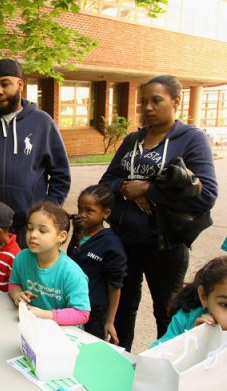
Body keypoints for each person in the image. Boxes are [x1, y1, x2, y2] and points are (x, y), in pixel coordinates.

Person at [100, 75, 218, 351]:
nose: (148, 107)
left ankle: (167, 369)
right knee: (122, 308)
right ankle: (121, 361)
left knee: (167, 312)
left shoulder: (191, 139)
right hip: (124, 242)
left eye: (157, 100)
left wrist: (149, 189)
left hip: (165, 246)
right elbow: (105, 183)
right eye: (144, 102)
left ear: (176, 101)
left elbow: (207, 194)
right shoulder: (133, 140)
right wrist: (127, 187)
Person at [0, 58, 71, 248]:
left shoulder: (42, 123)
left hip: (28, 230)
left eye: (5, 84)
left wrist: (46, 212)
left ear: (20, 85)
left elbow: (61, 175)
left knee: (27, 278)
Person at [8, 202, 90, 326]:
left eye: (42, 230)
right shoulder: (22, 258)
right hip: (30, 325)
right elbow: (14, 283)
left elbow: (81, 313)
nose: (33, 235)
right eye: (30, 228)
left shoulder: (72, 273)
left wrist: (44, 315)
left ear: (61, 236)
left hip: (62, 334)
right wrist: (17, 295)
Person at [67, 185, 127, 343]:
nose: (82, 215)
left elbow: (115, 286)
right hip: (71, 304)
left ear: (105, 213)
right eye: (80, 209)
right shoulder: (78, 234)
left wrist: (110, 321)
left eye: (89, 211)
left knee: (90, 346)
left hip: (95, 311)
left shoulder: (111, 244)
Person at [151, 256, 227, 347]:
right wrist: (193, 336)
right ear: (204, 296)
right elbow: (156, 352)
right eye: (225, 305)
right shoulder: (186, 319)